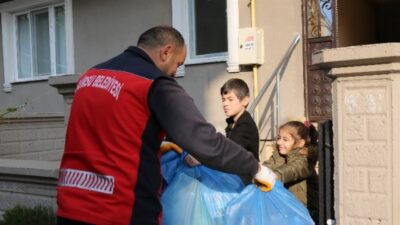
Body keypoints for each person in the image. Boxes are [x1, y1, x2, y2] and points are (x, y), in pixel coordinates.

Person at [56, 25, 276, 225]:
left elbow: (107, 135)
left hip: (70, 206)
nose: (175, 73)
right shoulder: (154, 84)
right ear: (165, 52)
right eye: (178, 64)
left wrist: (156, 144)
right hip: (121, 211)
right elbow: (205, 141)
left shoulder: (89, 77)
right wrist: (254, 167)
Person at [263, 120, 319, 223]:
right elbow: (267, 166)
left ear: (300, 143)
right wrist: (256, 171)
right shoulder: (278, 156)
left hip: (305, 213)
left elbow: (292, 170)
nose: (280, 142)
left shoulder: (305, 161)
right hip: (285, 212)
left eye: (285, 139)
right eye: (279, 138)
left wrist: (274, 176)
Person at [221, 78, 259, 184]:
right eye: (223, 100)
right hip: (237, 177)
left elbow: (229, 153)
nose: (225, 104)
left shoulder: (245, 124)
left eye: (230, 99)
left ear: (245, 101)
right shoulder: (233, 123)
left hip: (245, 181)